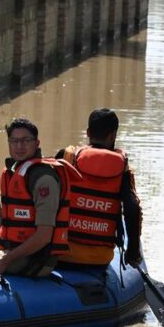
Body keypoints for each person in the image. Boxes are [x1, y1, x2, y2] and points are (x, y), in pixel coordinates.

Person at [0, 118, 79, 277]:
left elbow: (43, 236)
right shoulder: (15, 175)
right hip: (8, 249)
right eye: (14, 141)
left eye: (25, 141)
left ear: (37, 143)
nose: (19, 146)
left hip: (33, 259)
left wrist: (5, 261)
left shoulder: (44, 180)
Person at [56, 108, 142, 268]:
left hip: (60, 254)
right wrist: (133, 252)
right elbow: (132, 208)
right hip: (99, 259)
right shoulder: (122, 168)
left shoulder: (67, 157)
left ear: (88, 132)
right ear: (113, 135)